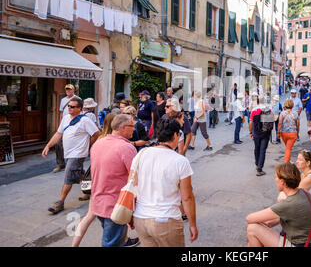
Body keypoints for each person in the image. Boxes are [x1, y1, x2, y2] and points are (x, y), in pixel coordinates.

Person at [131, 118, 198, 247]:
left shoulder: (141, 154)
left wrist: (130, 215)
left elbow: (132, 186)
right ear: (175, 135)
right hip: (166, 220)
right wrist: (193, 224)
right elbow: (187, 197)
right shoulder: (180, 161)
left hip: (141, 218)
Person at [42, 97, 100, 214]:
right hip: (68, 153)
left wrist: (88, 145)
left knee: (68, 177)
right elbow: (59, 133)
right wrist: (48, 146)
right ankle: (94, 189)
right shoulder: (66, 118)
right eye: (68, 106)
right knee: (78, 174)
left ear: (79, 109)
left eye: (72, 106)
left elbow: (96, 133)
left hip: (78, 154)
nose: (69, 108)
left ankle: (60, 203)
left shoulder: (85, 120)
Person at [89, 114, 140, 247]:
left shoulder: (98, 143)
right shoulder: (126, 148)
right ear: (123, 128)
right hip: (116, 204)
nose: (134, 129)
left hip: (98, 202)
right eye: (132, 126)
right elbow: (136, 179)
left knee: (112, 238)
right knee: (111, 243)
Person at [245, 163, 311, 247]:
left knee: (252, 229)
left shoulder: (289, 203)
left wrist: (262, 225)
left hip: (299, 245)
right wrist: (266, 224)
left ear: (282, 182)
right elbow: (285, 216)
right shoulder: (304, 193)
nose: (275, 179)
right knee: (255, 234)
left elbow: (249, 218)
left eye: (276, 177)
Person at [278, 150, 311, 224]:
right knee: (284, 197)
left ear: (308, 163)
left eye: (300, 160)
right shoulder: (304, 174)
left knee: (283, 197)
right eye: (297, 159)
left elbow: (293, 194)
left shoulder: (310, 178)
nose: (297, 161)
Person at [54, 84, 80, 173]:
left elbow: (80, 112)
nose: (68, 91)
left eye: (70, 90)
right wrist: (59, 123)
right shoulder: (63, 100)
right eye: (67, 90)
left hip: (74, 124)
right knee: (58, 143)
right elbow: (61, 113)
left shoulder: (77, 99)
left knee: (71, 144)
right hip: (64, 124)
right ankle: (60, 164)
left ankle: (71, 164)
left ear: (73, 90)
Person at [249, 95, 271, 176]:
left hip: (256, 133)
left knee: (256, 149)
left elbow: (250, 122)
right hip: (265, 134)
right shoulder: (269, 109)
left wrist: (250, 132)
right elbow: (271, 122)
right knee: (262, 150)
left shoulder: (254, 110)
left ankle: (257, 163)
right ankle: (260, 168)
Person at [278, 99, 300, 163]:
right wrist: (297, 132)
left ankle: (288, 161)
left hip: (283, 133)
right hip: (293, 133)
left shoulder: (282, 113)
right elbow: (298, 124)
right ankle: (286, 163)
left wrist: (278, 133)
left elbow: (280, 123)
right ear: (292, 105)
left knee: (288, 147)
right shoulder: (295, 113)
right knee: (288, 148)